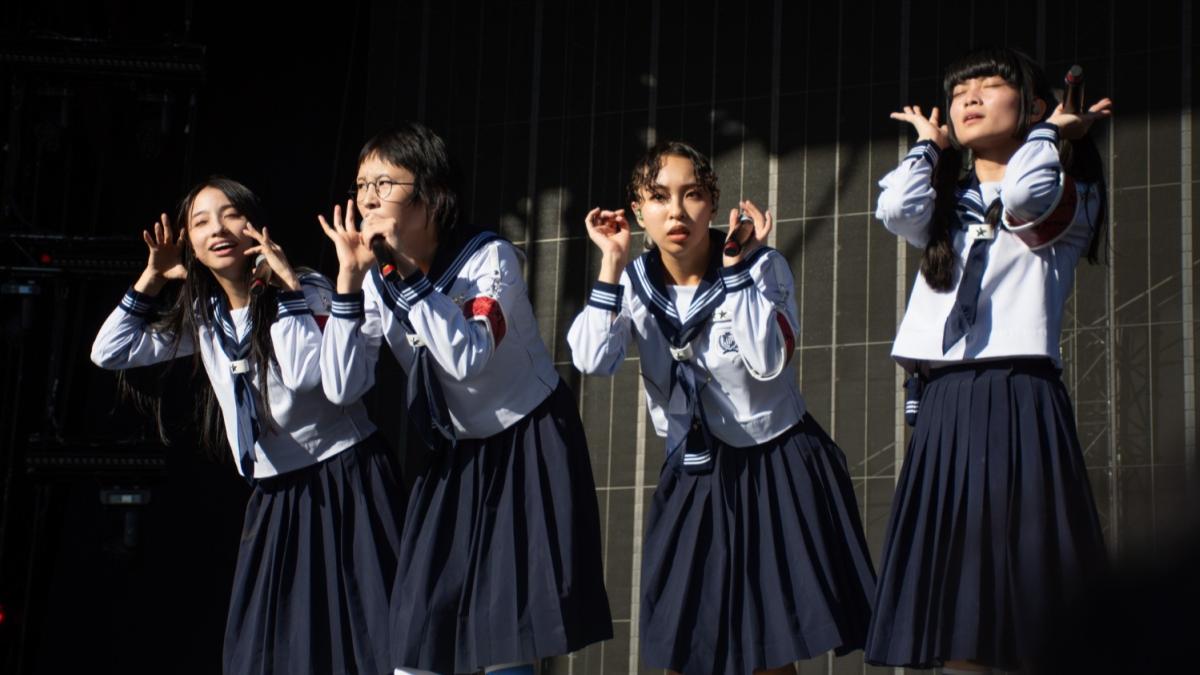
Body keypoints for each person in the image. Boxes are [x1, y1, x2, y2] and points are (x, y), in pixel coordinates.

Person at [567, 140, 876, 675]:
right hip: (695, 468)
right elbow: (592, 358)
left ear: (713, 203)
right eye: (659, 198)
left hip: (773, 462)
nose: (677, 211)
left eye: (692, 195)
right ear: (638, 211)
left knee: (768, 648)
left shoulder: (761, 266)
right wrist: (611, 263)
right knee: (687, 642)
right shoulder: (635, 284)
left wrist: (735, 270)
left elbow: (769, 359)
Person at [317, 121, 612, 675]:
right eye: (361, 185)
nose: (369, 197)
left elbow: (468, 357)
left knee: (506, 640)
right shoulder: (376, 277)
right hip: (456, 452)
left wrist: (405, 278)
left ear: (431, 195)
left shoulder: (488, 257)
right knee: (417, 630)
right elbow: (342, 386)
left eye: (385, 182)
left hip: (526, 443)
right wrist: (349, 285)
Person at [864, 47, 1114, 672]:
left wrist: (1052, 133)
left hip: (1016, 391)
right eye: (959, 91)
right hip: (947, 398)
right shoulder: (945, 202)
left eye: (990, 85)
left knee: (1024, 595)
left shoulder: (1066, 190)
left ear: (1030, 105)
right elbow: (894, 208)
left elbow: (1027, 195)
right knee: (956, 601)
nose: (969, 96)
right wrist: (929, 147)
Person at [90, 177, 403, 675]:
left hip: (344, 479)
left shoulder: (306, 286)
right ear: (189, 245)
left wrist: (287, 292)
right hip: (276, 495)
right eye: (200, 222)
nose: (218, 229)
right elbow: (108, 352)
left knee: (372, 638)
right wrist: (150, 277)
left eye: (230, 214)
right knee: (270, 653)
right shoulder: (205, 313)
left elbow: (307, 378)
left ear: (255, 224)